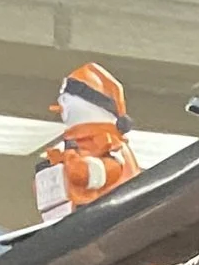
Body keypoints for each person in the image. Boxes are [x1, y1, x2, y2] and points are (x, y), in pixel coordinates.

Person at [34, 62, 140, 225]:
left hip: (106, 221)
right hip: (72, 224)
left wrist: (70, 157)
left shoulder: (111, 146)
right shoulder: (71, 145)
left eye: (67, 99)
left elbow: (88, 174)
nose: (62, 105)